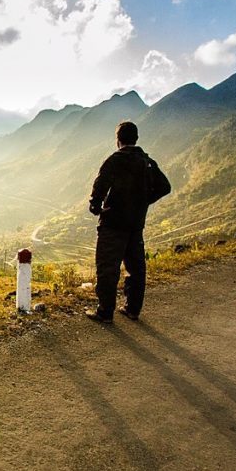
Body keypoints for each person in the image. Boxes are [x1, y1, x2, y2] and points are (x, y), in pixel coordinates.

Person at [86, 121, 170, 324]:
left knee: (108, 268)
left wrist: (96, 206)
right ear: (136, 139)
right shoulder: (147, 161)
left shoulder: (115, 160)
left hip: (113, 224)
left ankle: (105, 311)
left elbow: (100, 186)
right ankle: (132, 309)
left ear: (118, 140)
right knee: (136, 268)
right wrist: (144, 201)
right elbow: (165, 187)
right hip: (135, 224)